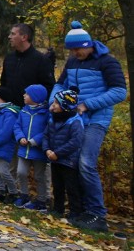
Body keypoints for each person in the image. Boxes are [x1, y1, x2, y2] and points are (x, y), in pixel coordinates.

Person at [52, 21, 127, 232]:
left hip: (97, 120)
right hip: (74, 119)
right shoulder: (73, 62)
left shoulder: (107, 62)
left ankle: (98, 215)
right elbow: (60, 84)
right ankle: (82, 210)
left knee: (86, 162)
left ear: (89, 44)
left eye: (78, 48)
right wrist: (53, 100)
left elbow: (120, 92)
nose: (75, 53)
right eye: (71, 49)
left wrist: (87, 104)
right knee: (73, 163)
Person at [43, 87, 84, 221]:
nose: (52, 105)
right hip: (54, 158)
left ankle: (75, 212)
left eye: (55, 103)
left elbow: (75, 142)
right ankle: (58, 208)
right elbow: (46, 135)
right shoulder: (53, 119)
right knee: (57, 185)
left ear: (65, 106)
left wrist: (58, 153)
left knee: (71, 187)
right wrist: (47, 149)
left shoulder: (75, 122)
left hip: (68, 160)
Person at [13, 84, 50, 210]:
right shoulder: (24, 111)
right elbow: (17, 126)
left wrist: (35, 141)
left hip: (38, 151)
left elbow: (47, 130)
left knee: (40, 176)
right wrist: (20, 137)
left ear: (35, 97)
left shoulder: (46, 113)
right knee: (21, 172)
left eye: (27, 94)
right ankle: (23, 195)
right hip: (24, 150)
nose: (24, 95)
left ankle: (42, 200)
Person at [1, 23, 56, 107]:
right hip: (10, 111)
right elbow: (3, 83)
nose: (9, 37)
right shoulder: (9, 58)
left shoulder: (41, 60)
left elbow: (49, 87)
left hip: (32, 113)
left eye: (13, 34)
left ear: (24, 37)